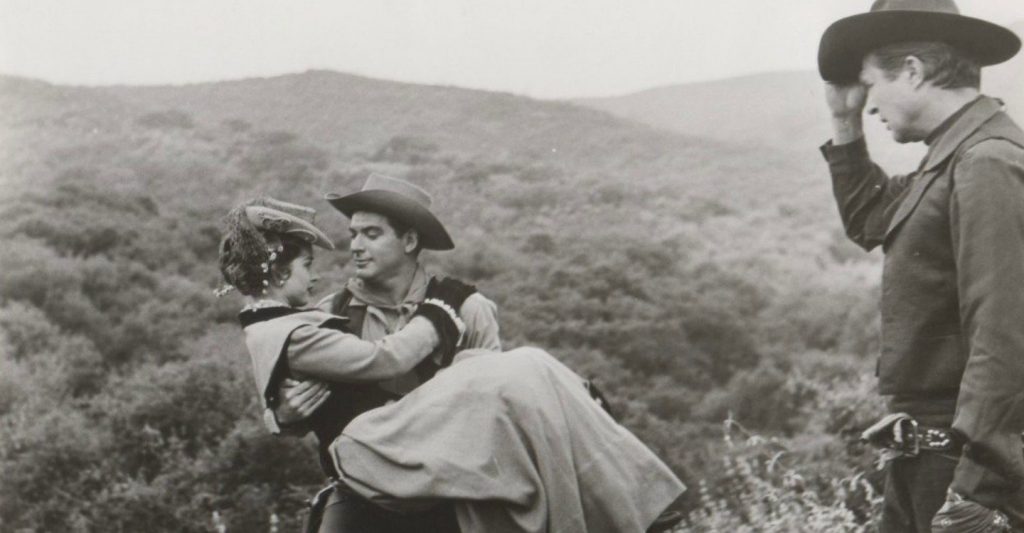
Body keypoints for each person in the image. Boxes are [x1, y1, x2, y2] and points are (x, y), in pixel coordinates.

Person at [218, 197, 686, 532]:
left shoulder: (469, 307)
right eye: (353, 233)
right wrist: (282, 416)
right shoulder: (330, 312)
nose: (354, 246)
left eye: (371, 234)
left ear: (408, 240)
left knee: (530, 371)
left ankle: (634, 501)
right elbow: (297, 382)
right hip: (374, 483)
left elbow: (500, 407)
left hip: (459, 483)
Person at [817, 1, 1024, 531]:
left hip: (961, 472)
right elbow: (870, 219)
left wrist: (977, 493)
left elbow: (1003, 334)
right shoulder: (953, 157)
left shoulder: (985, 161)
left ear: (912, 71)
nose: (868, 105)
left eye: (870, 85)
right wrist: (842, 119)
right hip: (929, 462)